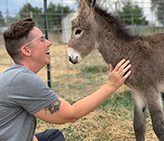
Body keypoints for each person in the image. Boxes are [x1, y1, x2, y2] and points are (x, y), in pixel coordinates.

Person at [0, 17, 131, 141]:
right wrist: (111, 85)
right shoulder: (22, 80)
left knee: (53, 135)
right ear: (26, 51)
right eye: (42, 39)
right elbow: (71, 114)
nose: (49, 43)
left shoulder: (12, 76)